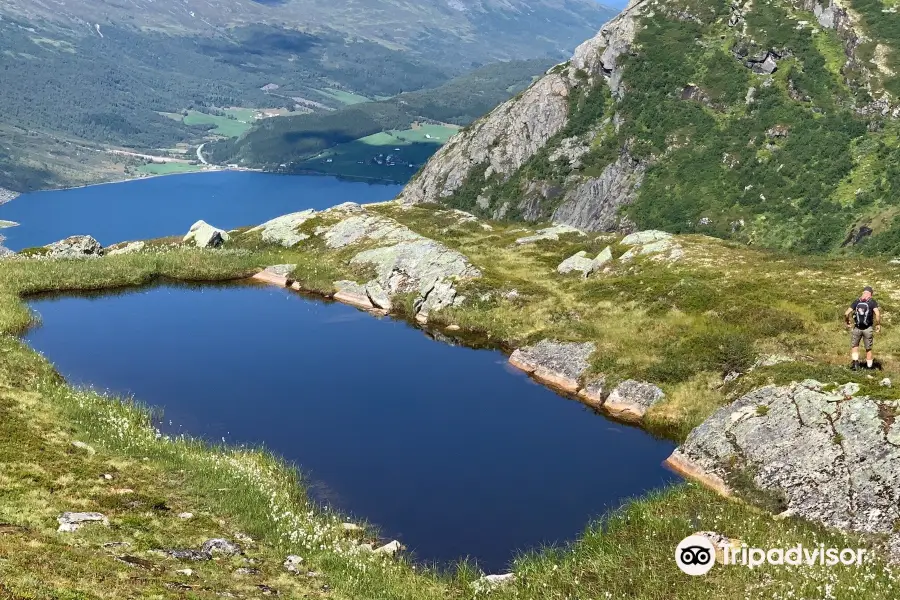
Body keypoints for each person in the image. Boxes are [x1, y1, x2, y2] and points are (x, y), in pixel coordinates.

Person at [845, 286, 881, 370]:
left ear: (863, 292)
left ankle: (855, 364)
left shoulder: (857, 301)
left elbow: (846, 313)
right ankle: (869, 367)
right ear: (871, 294)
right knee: (868, 348)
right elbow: (877, 314)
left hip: (857, 328)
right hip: (868, 328)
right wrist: (878, 324)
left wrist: (847, 321)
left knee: (855, 345)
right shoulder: (872, 302)